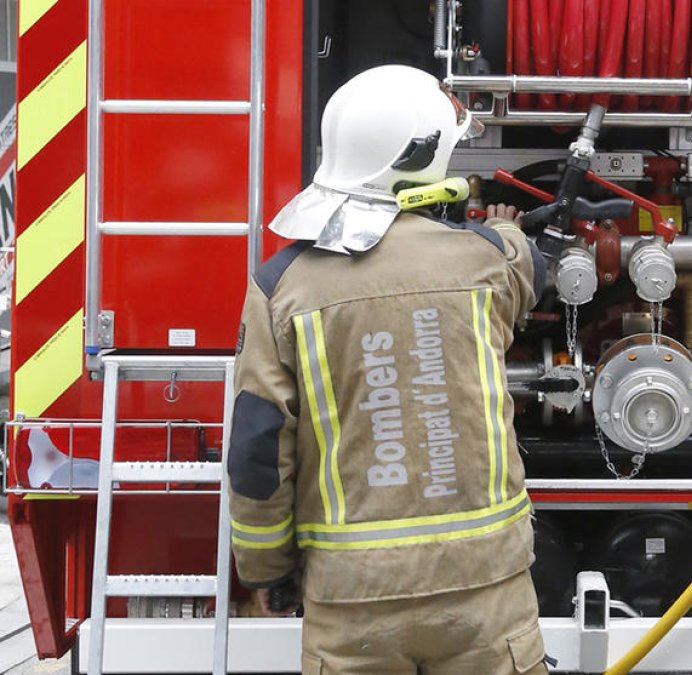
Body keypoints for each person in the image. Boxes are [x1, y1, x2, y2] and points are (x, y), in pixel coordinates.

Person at [226, 65, 549, 674]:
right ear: (426, 158)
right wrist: (502, 223)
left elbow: (258, 450)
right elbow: (530, 262)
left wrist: (267, 571)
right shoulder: (485, 260)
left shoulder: (280, 287)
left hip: (353, 601)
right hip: (485, 588)